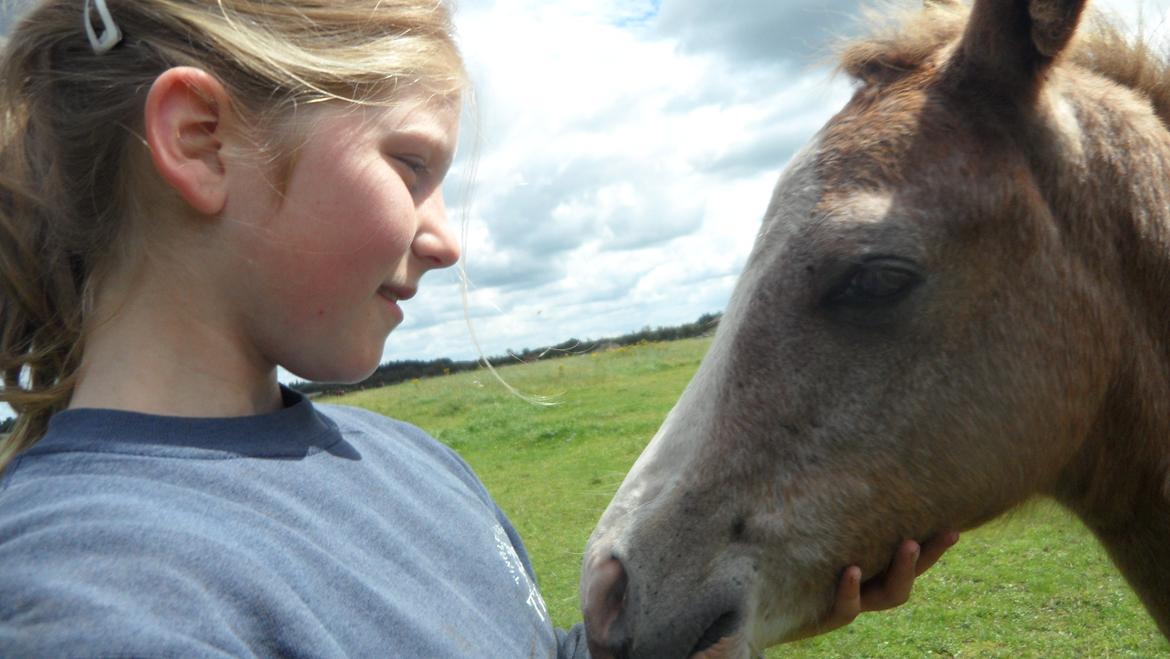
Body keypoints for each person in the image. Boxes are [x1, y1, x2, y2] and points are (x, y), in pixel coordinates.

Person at [0, 0, 957, 656]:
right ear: (201, 141)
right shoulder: (98, 595)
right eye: (411, 164)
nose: (448, 238)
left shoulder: (410, 460)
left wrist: (699, 621)